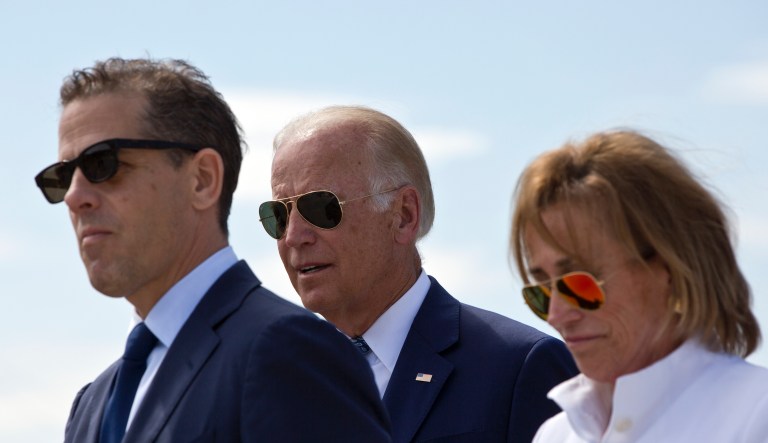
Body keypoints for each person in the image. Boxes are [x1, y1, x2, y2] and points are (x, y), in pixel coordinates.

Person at [35, 58, 391, 443]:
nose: (74, 196)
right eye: (64, 176)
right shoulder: (92, 405)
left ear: (202, 180)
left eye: (102, 163)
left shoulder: (287, 354)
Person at [257, 105, 578, 443]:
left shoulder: (520, 368)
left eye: (319, 207)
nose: (293, 236)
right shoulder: (275, 385)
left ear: (404, 215)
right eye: (278, 214)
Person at [509, 130, 768, 442]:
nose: (556, 315)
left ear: (671, 267)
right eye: (541, 291)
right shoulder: (556, 434)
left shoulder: (756, 414)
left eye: (579, 283)